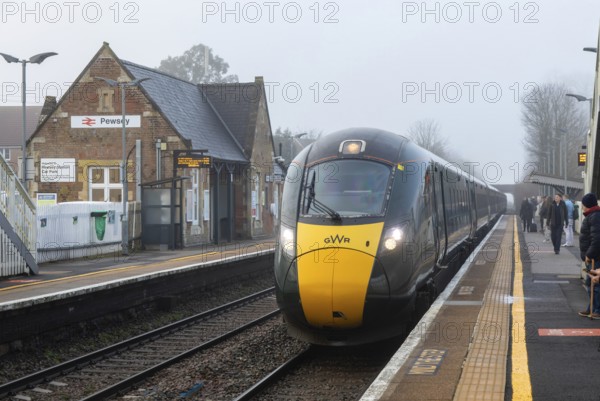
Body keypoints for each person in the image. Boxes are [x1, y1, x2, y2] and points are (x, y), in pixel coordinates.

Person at [578, 193, 600, 318]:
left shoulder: (595, 217)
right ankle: (591, 308)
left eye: (583, 204)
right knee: (590, 283)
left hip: (595, 257)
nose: (582, 207)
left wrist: (589, 254)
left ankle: (597, 310)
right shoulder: (593, 215)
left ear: (587, 205)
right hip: (593, 256)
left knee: (595, 283)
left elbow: (596, 238)